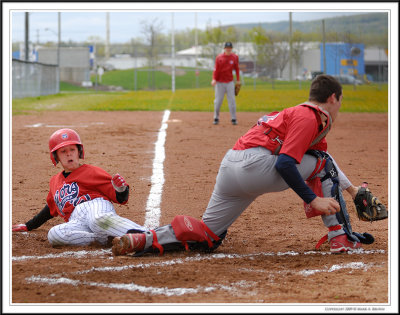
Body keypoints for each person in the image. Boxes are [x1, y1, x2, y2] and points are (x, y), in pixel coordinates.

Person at [112, 74, 386, 257]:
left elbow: (323, 161)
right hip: (259, 166)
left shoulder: (294, 114)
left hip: (232, 166)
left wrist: (351, 191)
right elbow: (287, 164)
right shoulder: (310, 116)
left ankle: (143, 239)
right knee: (319, 165)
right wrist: (313, 199)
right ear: (333, 98)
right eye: (340, 101)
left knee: (208, 238)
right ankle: (340, 237)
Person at [12, 128, 147, 247]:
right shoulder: (55, 182)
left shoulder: (91, 171)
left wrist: (121, 189)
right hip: (76, 220)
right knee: (54, 234)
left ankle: (148, 235)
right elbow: (50, 209)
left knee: (97, 220)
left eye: (72, 149)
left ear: (79, 152)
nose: (69, 154)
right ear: (56, 157)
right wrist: (29, 225)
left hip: (95, 207)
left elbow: (121, 198)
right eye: (63, 151)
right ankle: (105, 239)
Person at [211, 41, 241, 125]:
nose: (228, 49)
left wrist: (238, 79)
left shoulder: (234, 57)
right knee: (218, 101)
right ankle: (216, 117)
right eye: (227, 48)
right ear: (224, 49)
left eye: (230, 48)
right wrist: (214, 79)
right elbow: (216, 70)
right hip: (220, 82)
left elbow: (237, 69)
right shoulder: (219, 57)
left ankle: (233, 118)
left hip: (230, 82)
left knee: (232, 101)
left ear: (231, 49)